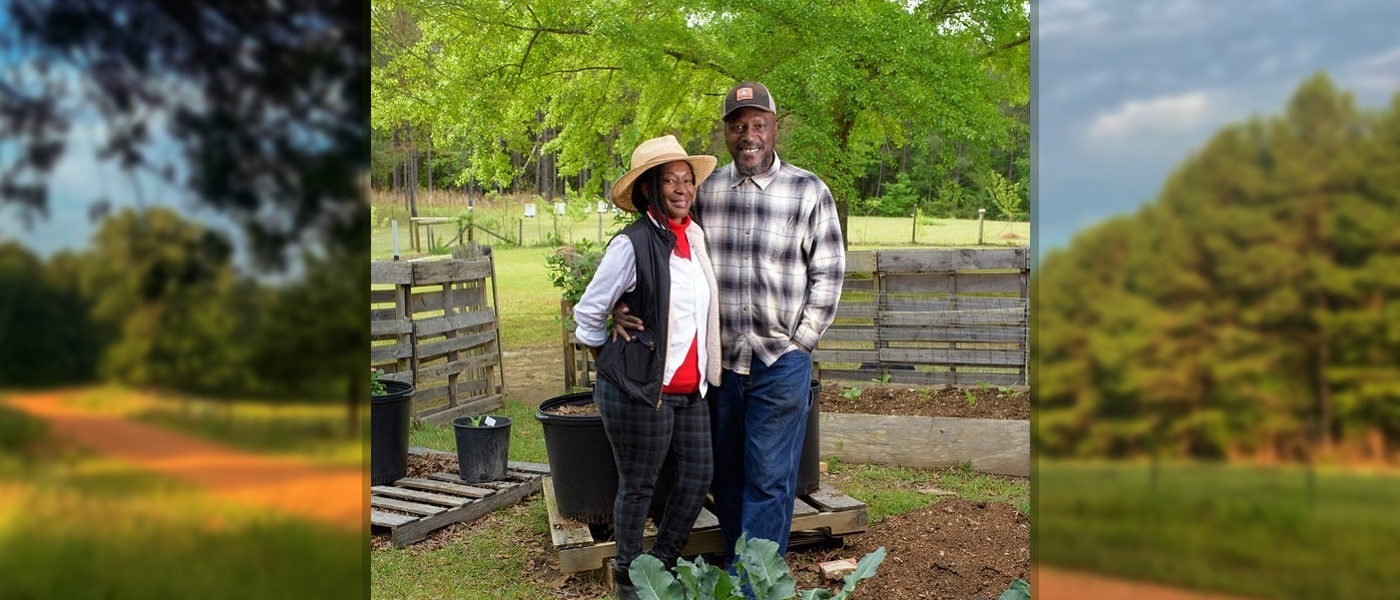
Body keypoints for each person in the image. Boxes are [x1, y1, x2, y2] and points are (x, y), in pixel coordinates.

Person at [614, 81, 846, 564]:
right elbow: (662, 246)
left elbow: (828, 275)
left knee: (769, 473)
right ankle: (745, 564)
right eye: (739, 126)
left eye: (758, 124)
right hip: (720, 363)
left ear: (775, 128)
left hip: (780, 360)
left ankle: (755, 581)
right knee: (727, 474)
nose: (749, 135)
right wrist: (619, 301)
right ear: (726, 133)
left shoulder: (808, 191)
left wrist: (800, 343)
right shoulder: (706, 192)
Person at [572, 135, 722, 600]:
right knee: (638, 485)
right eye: (669, 181)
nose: (681, 189)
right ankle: (627, 579)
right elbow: (587, 314)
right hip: (639, 389)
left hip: (689, 387)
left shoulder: (693, 238)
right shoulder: (631, 244)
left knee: (697, 477)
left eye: (687, 180)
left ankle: (659, 565)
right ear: (648, 191)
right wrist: (616, 365)